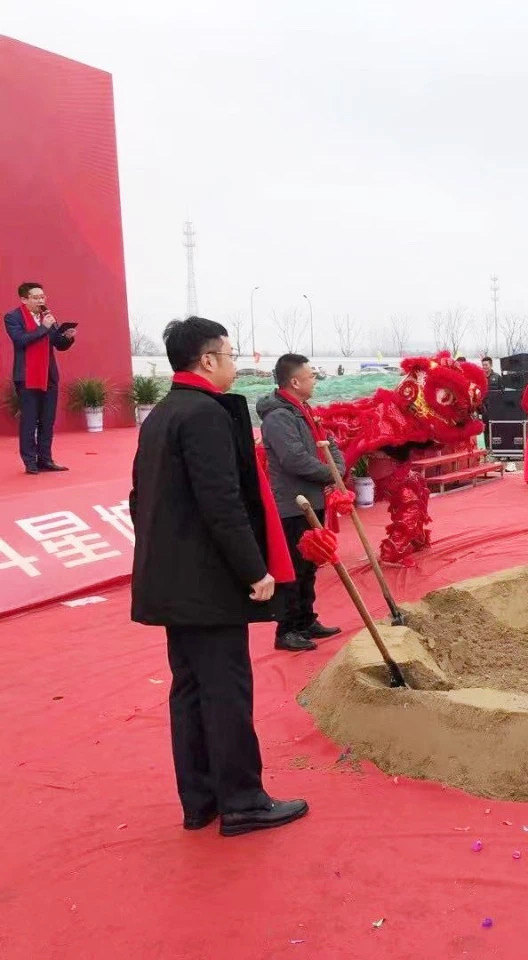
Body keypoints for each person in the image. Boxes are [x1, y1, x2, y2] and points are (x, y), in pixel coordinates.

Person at [130, 316, 308, 836]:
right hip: (208, 583)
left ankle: (201, 799)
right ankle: (243, 801)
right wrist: (254, 569)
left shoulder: (161, 414)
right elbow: (222, 501)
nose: (234, 363)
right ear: (207, 360)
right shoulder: (205, 415)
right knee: (225, 690)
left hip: (173, 581)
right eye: (230, 354)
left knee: (190, 690)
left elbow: (139, 500)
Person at [257, 353, 346, 653]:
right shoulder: (279, 417)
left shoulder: (303, 411)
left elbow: (330, 444)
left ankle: (306, 620)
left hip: (312, 499)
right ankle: (287, 629)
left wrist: (336, 468)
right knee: (293, 568)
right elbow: (294, 459)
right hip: (292, 505)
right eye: (311, 376)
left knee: (309, 566)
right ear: (294, 382)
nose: (315, 380)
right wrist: (331, 474)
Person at [5, 282, 76, 474]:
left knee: (47, 420)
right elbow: (20, 340)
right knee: (29, 421)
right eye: (36, 297)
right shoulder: (13, 317)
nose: (41, 301)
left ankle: (46, 459)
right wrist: (43, 328)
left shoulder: (48, 317)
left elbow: (58, 344)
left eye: (43, 297)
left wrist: (67, 337)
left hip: (49, 376)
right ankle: (30, 462)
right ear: (24, 299)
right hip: (27, 376)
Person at [480, 356, 502, 448]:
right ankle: (488, 449)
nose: (485, 367)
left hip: (496, 408)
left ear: (491, 365)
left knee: (496, 428)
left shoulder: (497, 377)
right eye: (483, 365)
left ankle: (497, 448)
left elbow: (502, 392)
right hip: (484, 408)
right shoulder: (480, 377)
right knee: (486, 429)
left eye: (486, 365)